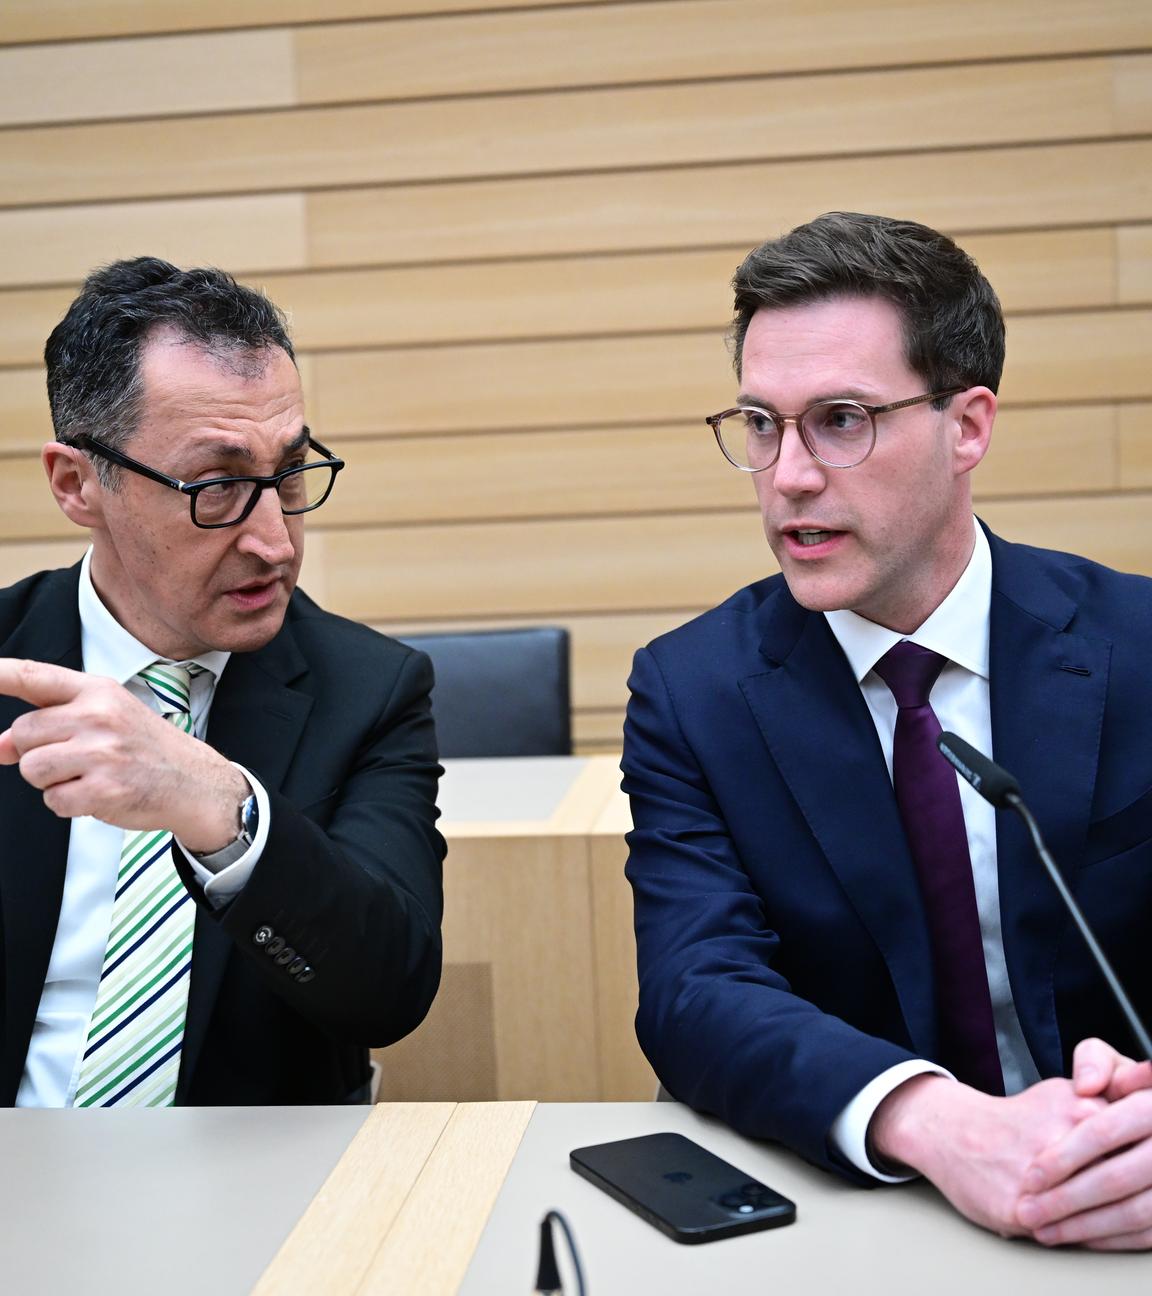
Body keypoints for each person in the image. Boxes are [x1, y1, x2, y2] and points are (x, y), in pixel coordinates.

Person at [622, 212, 1152, 1249]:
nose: (790, 478)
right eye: (763, 425)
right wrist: (935, 1123)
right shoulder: (694, 690)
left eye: (843, 419)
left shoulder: (1141, 645)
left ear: (969, 426)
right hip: (852, 1204)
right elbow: (695, 991)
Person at [0, 258, 444, 1108]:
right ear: (77, 484)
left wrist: (221, 808)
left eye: (289, 472)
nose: (274, 542)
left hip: (248, 1184)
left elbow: (391, 990)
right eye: (218, 486)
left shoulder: (371, 689)